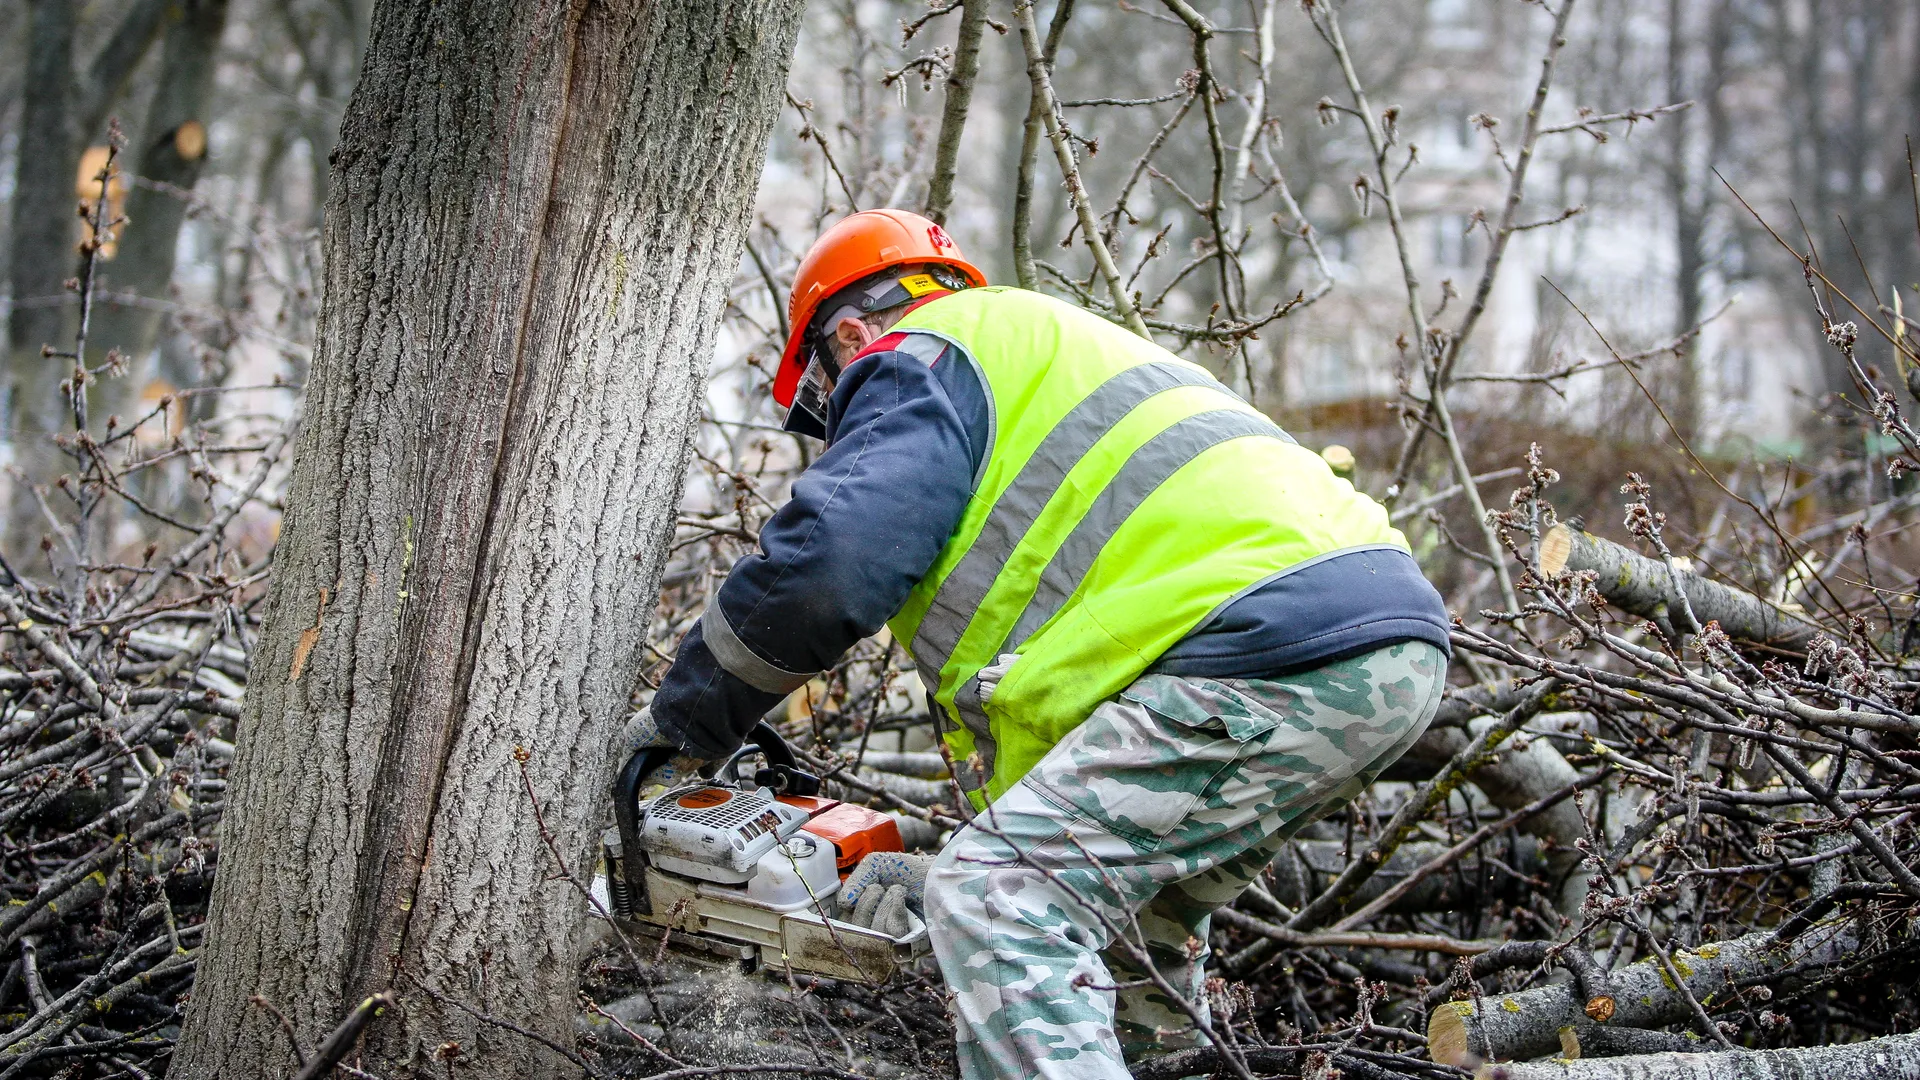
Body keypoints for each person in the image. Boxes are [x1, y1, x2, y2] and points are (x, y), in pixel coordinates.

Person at [626, 208, 1451, 1080]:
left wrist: (686, 724)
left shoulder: (918, 356)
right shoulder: (1038, 354)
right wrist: (944, 861)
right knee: (1134, 940)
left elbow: (826, 566)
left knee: (994, 898)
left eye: (829, 400)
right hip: (1378, 643)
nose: (843, 424)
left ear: (851, 337)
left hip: (1258, 645)